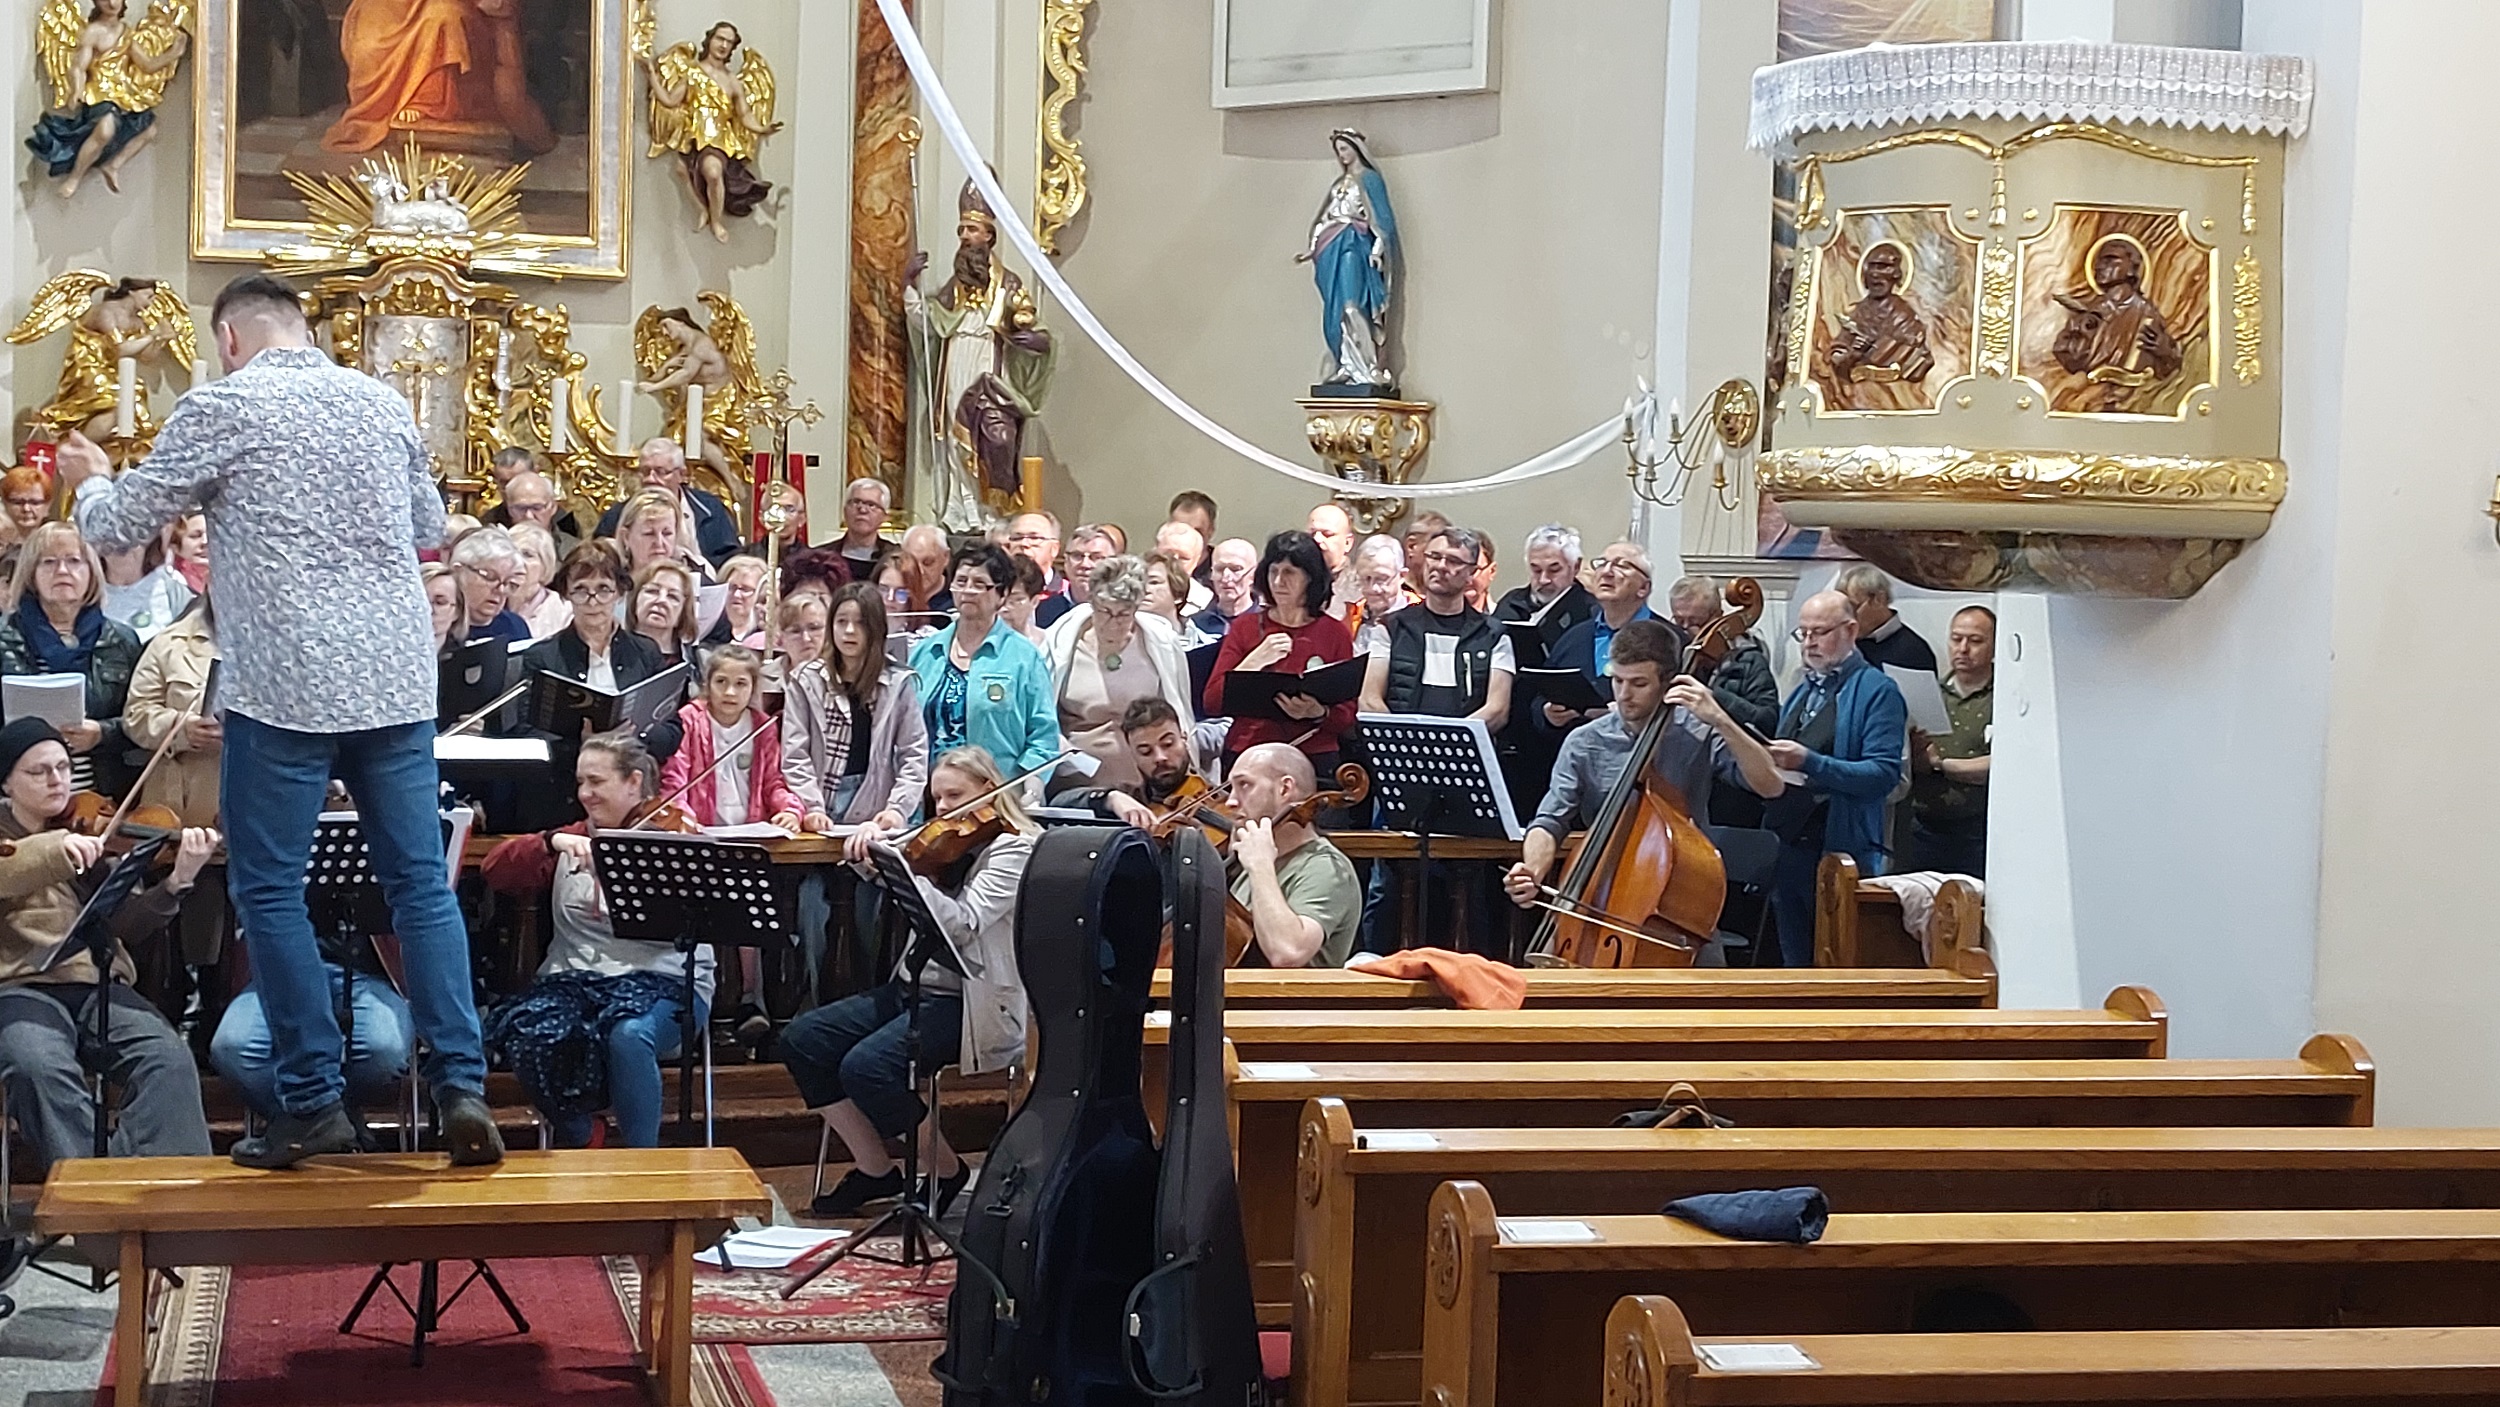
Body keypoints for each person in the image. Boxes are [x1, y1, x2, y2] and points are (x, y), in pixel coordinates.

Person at [59, 273, 501, 1166]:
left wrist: (92, 480)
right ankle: (462, 1086)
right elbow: (428, 521)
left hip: (286, 681)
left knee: (268, 887)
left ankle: (311, 1099)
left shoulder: (224, 404)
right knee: (420, 883)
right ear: (304, 329)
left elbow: (121, 524)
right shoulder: (380, 401)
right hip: (392, 680)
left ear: (229, 339)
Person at [784, 745, 1036, 1216]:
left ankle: (945, 1170)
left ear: (988, 789)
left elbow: (964, 924)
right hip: (915, 987)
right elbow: (906, 887)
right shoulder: (947, 847)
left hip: (972, 1003)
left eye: (954, 796)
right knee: (804, 1040)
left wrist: (910, 874)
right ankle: (875, 1169)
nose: (942, 809)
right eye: (937, 798)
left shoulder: (1014, 849)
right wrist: (869, 859)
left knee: (867, 1068)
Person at [0, 719, 216, 1182]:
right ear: (6, 783)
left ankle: (166, 1195)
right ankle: (90, 1192)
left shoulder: (93, 832)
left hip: (96, 983)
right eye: (39, 772)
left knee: (167, 1057)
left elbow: (125, 926)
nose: (57, 781)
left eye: (63, 767)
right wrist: (57, 847)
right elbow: (10, 872)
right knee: (36, 1065)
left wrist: (176, 883)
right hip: (19, 989)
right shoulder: (20, 837)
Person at [481, 732, 712, 1149]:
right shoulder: (572, 837)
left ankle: (643, 1164)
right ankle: (583, 1133)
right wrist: (549, 841)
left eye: (597, 781)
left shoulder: (672, 834)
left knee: (628, 1035)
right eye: (580, 782)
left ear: (634, 782)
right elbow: (495, 871)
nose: (585, 793)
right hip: (575, 980)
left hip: (664, 981)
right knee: (528, 1033)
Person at [1501, 621, 1783, 936]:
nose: (1624, 695)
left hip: (1678, 902)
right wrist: (1532, 870)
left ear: (1667, 683)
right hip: (1599, 894)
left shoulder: (1697, 730)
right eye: (1617, 680)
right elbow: (1550, 819)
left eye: (1638, 683)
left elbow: (1770, 785)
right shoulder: (1585, 741)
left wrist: (1722, 720)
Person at [1357, 526, 1514, 954]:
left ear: (1471, 573)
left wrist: (1450, 744)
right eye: (1435, 557)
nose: (1441, 567)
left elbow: (1497, 708)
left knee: (1468, 887)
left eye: (1454, 562)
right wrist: (1407, 746)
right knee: (1388, 885)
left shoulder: (1493, 634)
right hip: (1403, 771)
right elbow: (1370, 698)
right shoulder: (1393, 627)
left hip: (1465, 770)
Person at [1764, 591, 1908, 966]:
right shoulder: (1802, 690)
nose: (1809, 643)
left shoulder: (1878, 691)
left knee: (1835, 962)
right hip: (1790, 845)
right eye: (1803, 633)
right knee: (1794, 965)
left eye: (1820, 632)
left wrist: (1810, 761)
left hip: (1840, 848)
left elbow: (1883, 774)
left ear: (1851, 631)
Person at [517, 543, 688, 827]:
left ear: (620, 592)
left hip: (632, 803)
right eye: (581, 590)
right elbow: (525, 733)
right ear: (566, 593)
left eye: (603, 589)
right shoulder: (542, 657)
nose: (593, 601)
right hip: (563, 798)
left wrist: (632, 740)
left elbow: (672, 729)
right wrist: (585, 745)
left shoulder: (645, 652)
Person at [0, 522, 143, 796]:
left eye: (74, 561)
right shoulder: (4, 637)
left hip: (102, 796)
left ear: (92, 571)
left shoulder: (121, 640)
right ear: (31, 573)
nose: (62, 571)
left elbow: (141, 719)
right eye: (49, 562)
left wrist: (102, 732)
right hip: (19, 798)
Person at [1204, 531, 1358, 772]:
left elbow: (1347, 716)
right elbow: (1212, 702)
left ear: (1310, 578)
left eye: (1289, 573)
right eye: (1273, 571)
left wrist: (1318, 712)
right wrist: (1253, 661)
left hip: (1313, 754)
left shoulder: (1334, 632)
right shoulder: (1245, 627)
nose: (1278, 582)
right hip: (1250, 751)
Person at [1044, 554, 1196, 794]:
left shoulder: (1162, 642)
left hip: (1152, 782)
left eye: (1124, 614)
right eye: (1104, 611)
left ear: (1137, 608)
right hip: (1078, 781)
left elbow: (1180, 714)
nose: (1113, 622)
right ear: (1091, 603)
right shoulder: (1060, 642)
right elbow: (1043, 720)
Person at [910, 543, 1060, 778]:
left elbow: (1043, 737)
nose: (968, 591)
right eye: (961, 581)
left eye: (980, 584)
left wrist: (1027, 785)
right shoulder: (925, 652)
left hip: (998, 789)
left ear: (1002, 595)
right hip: (929, 790)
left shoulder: (1024, 657)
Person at [1493, 523, 1598, 818]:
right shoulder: (1511, 603)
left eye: (1554, 570)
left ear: (1575, 567)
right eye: (1535, 569)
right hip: (1513, 733)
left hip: (1562, 738)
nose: (1543, 580)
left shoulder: (1590, 612)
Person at [1226, 742, 1361, 968]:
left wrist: (1260, 867)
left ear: (1285, 789)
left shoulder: (1326, 868)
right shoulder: (1253, 858)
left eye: (1245, 785)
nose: (1230, 801)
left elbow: (1288, 952)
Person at [1537, 541, 1659, 740]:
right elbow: (1540, 695)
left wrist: (1624, 713)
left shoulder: (1667, 640)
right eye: (1602, 563)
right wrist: (1548, 713)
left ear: (1643, 588)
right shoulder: (1574, 637)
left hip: (1644, 751)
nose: (1607, 572)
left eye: (1621, 566)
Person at [1907, 605, 1995, 877]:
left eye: (1975, 641)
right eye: (1956, 639)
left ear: (1994, 645)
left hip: (1979, 829)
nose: (1963, 649)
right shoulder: (1929, 694)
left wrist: (1942, 765)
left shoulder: (2006, 697)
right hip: (1924, 826)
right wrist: (1917, 758)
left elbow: (2004, 764)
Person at [595, 438, 740, 568]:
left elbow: (729, 558)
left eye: (660, 472)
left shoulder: (709, 508)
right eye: (645, 471)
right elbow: (599, 557)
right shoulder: (618, 515)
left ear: (682, 474)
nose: (650, 479)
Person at [1666, 574, 1780, 737]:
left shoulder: (1749, 660)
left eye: (1695, 622)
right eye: (1678, 621)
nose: (1685, 630)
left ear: (1717, 616)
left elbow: (1767, 720)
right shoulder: (1671, 655)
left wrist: (1714, 697)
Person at [1065, 695, 1205, 825]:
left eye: (1168, 744)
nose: (1160, 757)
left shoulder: (1214, 792)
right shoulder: (1132, 797)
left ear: (1184, 738)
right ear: (1133, 754)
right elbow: (1062, 801)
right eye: (1145, 752)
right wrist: (1110, 798)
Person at [1834, 563, 1937, 674]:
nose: (1848, 617)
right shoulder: (1843, 642)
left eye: (1853, 607)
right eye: (1843, 610)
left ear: (1879, 599)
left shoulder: (1914, 651)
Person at [448, 525, 533, 648]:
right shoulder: (439, 624)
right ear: (458, 572)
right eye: (490, 577)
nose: (501, 590)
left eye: (508, 582)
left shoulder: (515, 626)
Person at [483, 451, 587, 547]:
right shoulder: (489, 522)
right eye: (504, 482)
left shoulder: (563, 521)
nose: (529, 515)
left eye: (537, 508)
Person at [629, 559, 703, 675]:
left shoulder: (697, 665)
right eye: (653, 591)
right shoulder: (611, 651)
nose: (661, 600)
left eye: (673, 596)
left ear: (683, 612)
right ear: (635, 599)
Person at [611, 487, 700, 581]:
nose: (659, 542)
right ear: (626, 537)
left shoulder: (694, 579)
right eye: (649, 534)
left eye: (667, 533)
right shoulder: (610, 582)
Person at [1347, 533, 1412, 655]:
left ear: (1402, 576)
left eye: (1381, 579)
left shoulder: (1418, 615)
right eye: (1366, 578)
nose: (1373, 588)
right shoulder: (1351, 615)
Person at [507, 523, 573, 640]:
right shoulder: (491, 604)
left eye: (527, 554)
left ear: (545, 565)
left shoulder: (564, 613)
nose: (517, 561)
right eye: (511, 553)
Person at [1005, 511, 1072, 624]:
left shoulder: (1067, 592)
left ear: (1054, 548)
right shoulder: (994, 589)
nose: (1024, 543)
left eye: (1034, 538)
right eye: (1017, 538)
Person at [1193, 536, 1259, 639]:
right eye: (1219, 569)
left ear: (1253, 574)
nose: (1226, 577)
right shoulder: (1195, 625)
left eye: (1236, 569)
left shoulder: (1266, 622)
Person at [833, 477, 896, 582]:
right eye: (856, 502)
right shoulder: (822, 557)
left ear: (884, 516)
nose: (862, 510)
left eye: (871, 505)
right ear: (845, 511)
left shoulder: (896, 557)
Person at [704, 554, 771, 646]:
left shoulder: (765, 637)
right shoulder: (708, 633)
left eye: (745, 589)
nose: (737, 595)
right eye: (732, 587)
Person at [1151, 520, 1213, 614]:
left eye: (1184, 558)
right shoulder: (1137, 590)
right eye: (1168, 555)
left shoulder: (1205, 601)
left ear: (1196, 561)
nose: (1174, 562)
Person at [1306, 502, 1357, 614]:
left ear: (1347, 543)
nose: (1317, 539)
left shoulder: (1362, 586)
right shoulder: (1292, 579)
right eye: (1312, 533)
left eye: (1327, 534)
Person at [898, 523, 953, 618]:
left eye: (928, 562)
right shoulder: (893, 596)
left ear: (946, 557)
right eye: (912, 562)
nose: (920, 571)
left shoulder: (957, 599)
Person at [999, 550, 1049, 645]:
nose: (1003, 608)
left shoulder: (1047, 645)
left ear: (1034, 602)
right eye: (1000, 597)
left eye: (1014, 600)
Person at [1062, 525, 1118, 608]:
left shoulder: (1125, 611)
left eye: (1097, 557)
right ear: (1066, 561)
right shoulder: (1044, 609)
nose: (1085, 564)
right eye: (1077, 555)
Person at [1168, 490, 1217, 584]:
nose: (1188, 538)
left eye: (1197, 531)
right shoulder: (1156, 567)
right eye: (1181, 530)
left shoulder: (1222, 571)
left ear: (1211, 531)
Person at [422, 561, 464, 661]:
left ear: (457, 611)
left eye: (440, 602)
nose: (429, 609)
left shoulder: (466, 658)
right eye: (421, 601)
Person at [168, 509, 207, 593]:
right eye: (195, 536)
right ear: (175, 546)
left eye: (210, 535)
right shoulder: (168, 586)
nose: (205, 541)